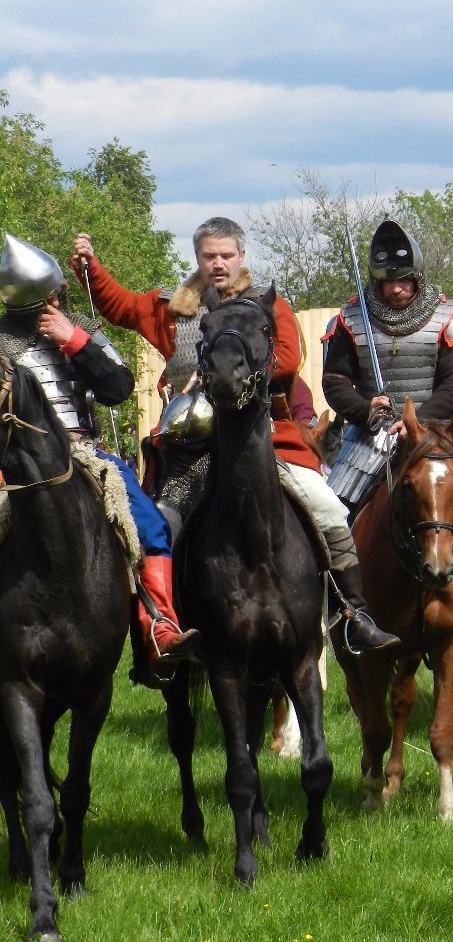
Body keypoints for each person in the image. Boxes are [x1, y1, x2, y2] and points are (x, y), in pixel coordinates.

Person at [72, 218, 399, 655]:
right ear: (198, 259)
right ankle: (161, 630)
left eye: (227, 255)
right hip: (193, 449)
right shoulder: (175, 306)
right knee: (157, 526)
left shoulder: (264, 304)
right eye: (210, 256)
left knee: (327, 509)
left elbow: (286, 359)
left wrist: (223, 368)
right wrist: (90, 268)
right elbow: (120, 305)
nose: (219, 263)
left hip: (263, 442)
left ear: (241, 256)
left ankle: (354, 615)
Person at [0, 233, 201, 681]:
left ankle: (158, 628)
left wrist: (74, 341)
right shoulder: (0, 343)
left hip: (86, 453)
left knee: (151, 524)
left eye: (53, 297)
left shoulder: (84, 329)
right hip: (15, 460)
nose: (49, 303)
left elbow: (117, 389)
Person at [321, 218, 453, 652]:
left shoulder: (447, 319)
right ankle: (329, 613)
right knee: (326, 519)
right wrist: (365, 407)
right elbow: (334, 379)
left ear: (417, 277)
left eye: (403, 281)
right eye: (387, 282)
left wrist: (417, 420)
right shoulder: (349, 319)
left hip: (435, 437)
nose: (394, 289)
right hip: (368, 438)